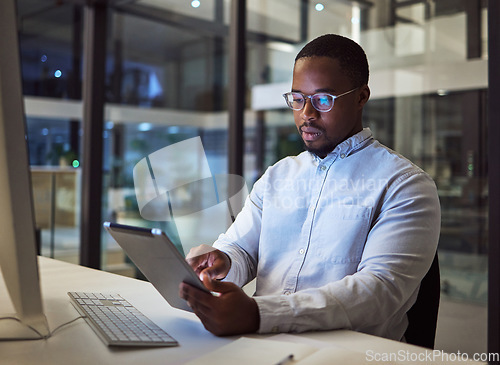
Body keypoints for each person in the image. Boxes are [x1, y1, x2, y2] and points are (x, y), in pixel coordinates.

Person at [179, 34, 441, 341]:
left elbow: (379, 290)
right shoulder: (278, 175)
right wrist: (222, 262)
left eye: (323, 99)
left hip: (344, 355)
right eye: (298, 99)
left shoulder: (405, 185)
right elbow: (241, 250)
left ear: (361, 96)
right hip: (260, 341)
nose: (307, 114)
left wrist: (260, 314)